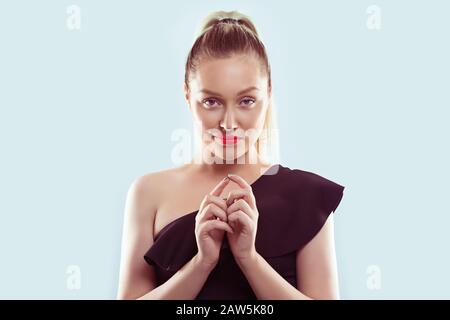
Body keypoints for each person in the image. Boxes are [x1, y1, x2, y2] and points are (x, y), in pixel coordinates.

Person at [117, 10, 345, 300]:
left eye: (246, 101)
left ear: (269, 93)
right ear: (188, 96)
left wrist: (249, 259)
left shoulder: (308, 197)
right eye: (211, 101)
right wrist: (202, 264)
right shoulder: (148, 193)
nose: (228, 123)